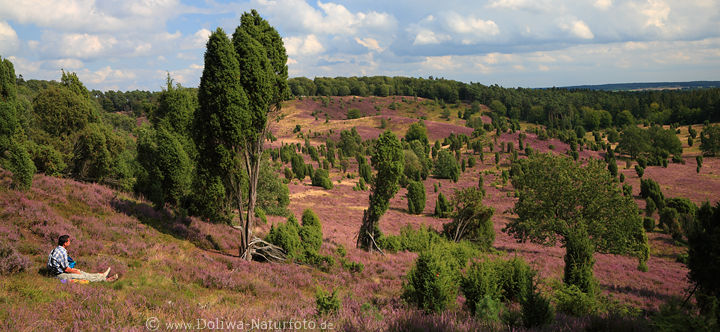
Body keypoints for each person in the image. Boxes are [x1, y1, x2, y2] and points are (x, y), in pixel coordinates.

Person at [47, 235, 118, 282]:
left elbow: (63, 267)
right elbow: (66, 269)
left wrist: (75, 270)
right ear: (65, 243)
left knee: (81, 272)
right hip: (58, 275)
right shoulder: (62, 252)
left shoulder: (55, 249)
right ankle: (105, 280)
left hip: (57, 272)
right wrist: (75, 271)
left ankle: (101, 275)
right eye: (69, 241)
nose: (70, 242)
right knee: (82, 276)